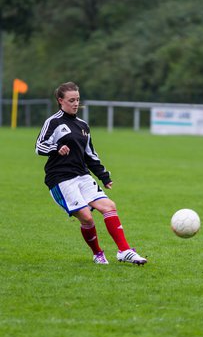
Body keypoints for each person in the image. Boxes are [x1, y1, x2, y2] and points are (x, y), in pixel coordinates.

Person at [35, 82, 147, 265]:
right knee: (87, 217)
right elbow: (39, 146)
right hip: (61, 178)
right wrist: (56, 148)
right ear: (60, 100)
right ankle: (97, 253)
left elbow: (90, 154)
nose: (75, 103)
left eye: (77, 100)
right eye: (71, 100)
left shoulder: (83, 125)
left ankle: (124, 251)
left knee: (109, 206)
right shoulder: (53, 122)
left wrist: (104, 176)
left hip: (82, 175)